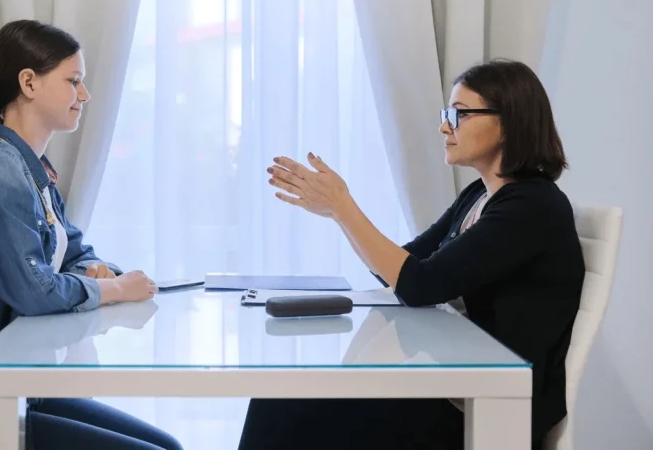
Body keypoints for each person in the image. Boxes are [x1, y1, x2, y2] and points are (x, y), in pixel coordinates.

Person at [241, 59, 585, 449]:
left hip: (488, 407)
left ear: (509, 122)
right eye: (446, 114)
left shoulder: (531, 206)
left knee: (279, 403)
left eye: (459, 114)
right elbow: (400, 270)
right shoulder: (479, 196)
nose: (444, 127)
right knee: (279, 396)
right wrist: (338, 214)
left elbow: (420, 286)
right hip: (454, 385)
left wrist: (344, 208)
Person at [0, 20, 182, 450]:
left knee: (169, 445)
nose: (85, 95)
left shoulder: (34, 170)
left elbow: (74, 248)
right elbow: (32, 292)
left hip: (21, 393)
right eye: (73, 81)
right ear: (29, 83)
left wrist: (95, 270)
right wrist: (111, 288)